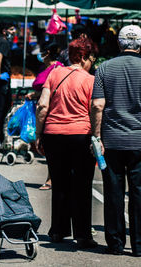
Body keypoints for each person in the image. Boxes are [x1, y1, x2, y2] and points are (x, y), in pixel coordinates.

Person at [35, 37, 99, 249]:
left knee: (60, 183)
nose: (92, 63)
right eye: (91, 58)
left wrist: (39, 133)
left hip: (53, 135)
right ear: (82, 57)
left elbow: (42, 106)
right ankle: (82, 234)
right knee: (82, 185)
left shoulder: (54, 74)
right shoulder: (90, 80)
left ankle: (58, 230)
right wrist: (96, 135)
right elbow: (94, 109)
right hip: (80, 135)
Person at [90, 25, 141, 257]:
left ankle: (116, 244)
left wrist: (96, 136)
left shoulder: (104, 69)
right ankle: (139, 245)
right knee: (139, 193)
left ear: (119, 44)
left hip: (111, 140)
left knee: (113, 193)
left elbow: (97, 105)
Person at [26, 42, 64, 191]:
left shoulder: (58, 68)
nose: (39, 55)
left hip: (52, 110)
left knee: (52, 148)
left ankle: (52, 179)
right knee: (49, 147)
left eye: (41, 52)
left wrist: (39, 95)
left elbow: (55, 90)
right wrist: (35, 94)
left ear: (47, 52)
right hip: (42, 107)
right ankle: (53, 177)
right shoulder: (45, 68)